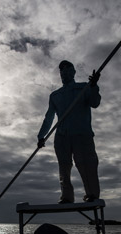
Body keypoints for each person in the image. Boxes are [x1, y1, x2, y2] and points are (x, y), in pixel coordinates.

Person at [37, 60, 101, 204]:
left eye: (67, 69)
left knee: (86, 164)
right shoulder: (55, 95)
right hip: (62, 136)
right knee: (64, 167)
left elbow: (95, 103)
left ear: (73, 72)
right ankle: (66, 196)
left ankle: (92, 194)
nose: (64, 72)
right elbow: (49, 117)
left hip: (82, 134)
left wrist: (93, 86)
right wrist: (42, 136)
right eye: (61, 71)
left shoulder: (83, 88)